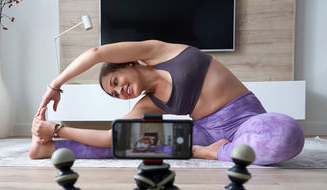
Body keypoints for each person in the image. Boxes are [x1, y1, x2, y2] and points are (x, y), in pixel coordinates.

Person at [29, 40, 304, 165]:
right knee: (127, 144)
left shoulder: (159, 51)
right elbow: (111, 137)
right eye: (115, 95)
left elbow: (96, 53)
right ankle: (49, 149)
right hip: (205, 133)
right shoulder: (148, 105)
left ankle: (210, 154)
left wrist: (54, 86)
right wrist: (55, 130)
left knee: (287, 134)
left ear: (128, 63)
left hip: (245, 121)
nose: (120, 92)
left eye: (115, 82)